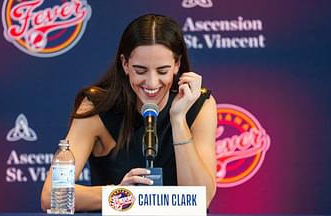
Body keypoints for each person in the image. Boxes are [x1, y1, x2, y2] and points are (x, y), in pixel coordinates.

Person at [41, 13, 217, 212]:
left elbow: (200, 200)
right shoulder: (96, 107)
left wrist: (178, 120)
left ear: (177, 65)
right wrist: (120, 195)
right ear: (125, 64)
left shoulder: (200, 105)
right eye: (140, 71)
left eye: (162, 71)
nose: (151, 83)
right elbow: (52, 195)